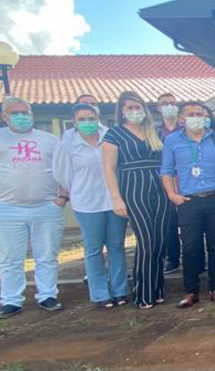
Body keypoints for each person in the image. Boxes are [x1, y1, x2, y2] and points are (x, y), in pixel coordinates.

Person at [160, 101, 215, 308]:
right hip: (188, 201)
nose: (196, 117)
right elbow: (166, 171)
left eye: (200, 114)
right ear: (181, 118)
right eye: (191, 114)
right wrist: (172, 194)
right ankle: (191, 291)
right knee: (190, 247)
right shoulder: (172, 141)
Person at [0, 96, 64, 319]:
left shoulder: (49, 140)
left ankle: (47, 295)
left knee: (47, 254)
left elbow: (63, 169)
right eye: (15, 113)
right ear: (4, 116)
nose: (21, 117)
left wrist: (62, 197)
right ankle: (12, 300)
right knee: (10, 258)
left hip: (46, 206)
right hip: (8, 208)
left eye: (25, 113)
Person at [53, 103, 128, 309]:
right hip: (86, 203)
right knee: (94, 249)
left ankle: (120, 290)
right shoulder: (68, 144)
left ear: (99, 118)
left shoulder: (111, 137)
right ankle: (100, 293)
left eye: (91, 118)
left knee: (116, 246)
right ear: (74, 122)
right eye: (82, 119)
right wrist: (78, 190)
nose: (88, 123)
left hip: (114, 201)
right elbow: (62, 175)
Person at [103, 91, 172, 310]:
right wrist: (116, 197)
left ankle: (158, 288)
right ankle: (143, 292)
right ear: (122, 111)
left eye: (138, 106)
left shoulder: (155, 133)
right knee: (146, 241)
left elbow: (167, 163)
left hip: (159, 187)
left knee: (161, 240)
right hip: (133, 188)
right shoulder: (115, 134)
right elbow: (109, 168)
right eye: (130, 107)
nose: (135, 111)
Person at [154, 92, 183, 275]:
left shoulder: (185, 129)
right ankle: (172, 258)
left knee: (193, 225)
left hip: (187, 181)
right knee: (169, 223)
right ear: (159, 108)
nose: (169, 106)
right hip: (165, 184)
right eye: (165, 103)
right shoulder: (154, 132)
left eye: (172, 103)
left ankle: (198, 259)